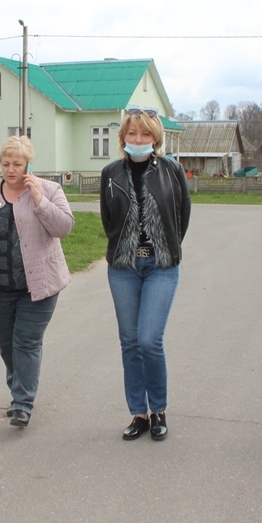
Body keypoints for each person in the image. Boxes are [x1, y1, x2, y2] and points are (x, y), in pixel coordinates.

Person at [0, 136, 74, 428]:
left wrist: (39, 200)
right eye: (6, 164)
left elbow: (64, 227)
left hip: (39, 286)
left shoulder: (49, 189)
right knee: (6, 345)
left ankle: (22, 403)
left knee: (26, 342)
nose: (11, 170)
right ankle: (19, 391)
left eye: (17, 164)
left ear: (28, 165)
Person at [100, 107, 191, 441]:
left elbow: (181, 217)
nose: (138, 140)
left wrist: (164, 248)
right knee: (129, 341)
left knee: (149, 339)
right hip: (123, 268)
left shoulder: (172, 171)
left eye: (145, 134)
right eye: (132, 133)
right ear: (123, 137)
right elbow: (108, 219)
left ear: (156, 138)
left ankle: (159, 409)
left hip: (160, 266)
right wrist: (126, 250)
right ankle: (138, 413)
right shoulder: (110, 173)